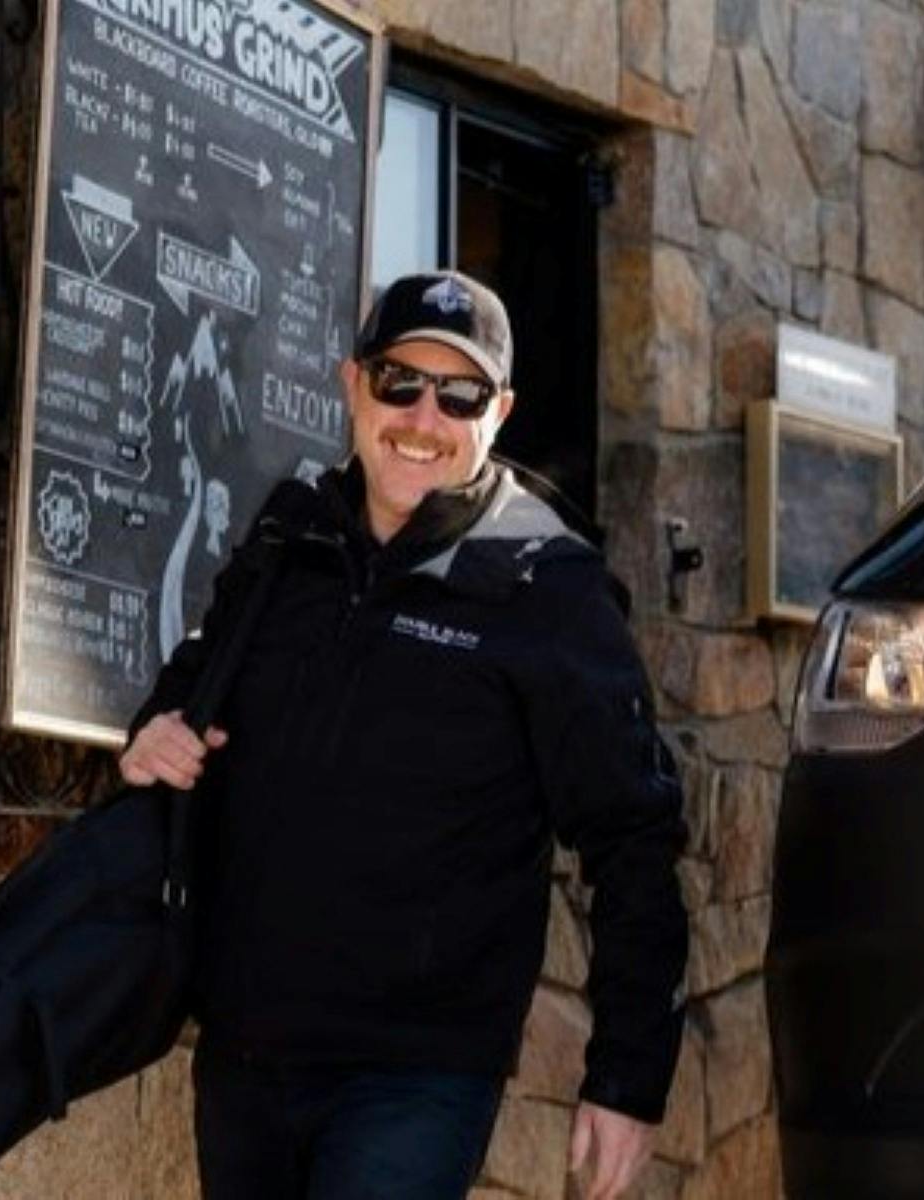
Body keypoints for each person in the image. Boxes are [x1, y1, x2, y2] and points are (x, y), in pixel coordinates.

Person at [119, 270, 688, 1200]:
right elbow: (193, 686)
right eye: (400, 382)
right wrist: (154, 734)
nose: (423, 417)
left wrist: (629, 1077)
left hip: (416, 1076)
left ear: (497, 412)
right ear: (353, 385)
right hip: (246, 1052)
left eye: (459, 393)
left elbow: (633, 836)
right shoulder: (288, 541)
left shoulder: (549, 585)